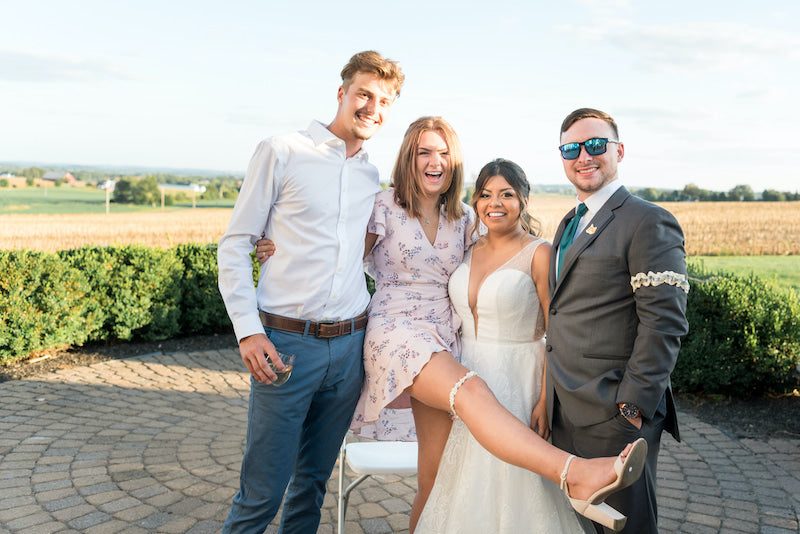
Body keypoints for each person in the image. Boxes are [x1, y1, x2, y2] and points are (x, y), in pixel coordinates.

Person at [258, 116, 648, 533]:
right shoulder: (383, 206)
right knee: (473, 389)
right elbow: (334, 250)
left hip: (445, 339)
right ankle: (575, 474)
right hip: (396, 331)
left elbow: (503, 249)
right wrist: (280, 247)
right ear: (409, 157)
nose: (434, 161)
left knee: (437, 476)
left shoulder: (463, 219)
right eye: (424, 151)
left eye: (443, 153)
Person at [216, 50, 405, 534]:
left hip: (349, 349)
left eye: (383, 101)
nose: (372, 107)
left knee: (313, 485)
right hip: (286, 346)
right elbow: (236, 244)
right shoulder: (282, 150)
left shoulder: (370, 174)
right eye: (364, 94)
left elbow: (363, 252)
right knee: (262, 491)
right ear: (342, 94)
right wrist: (247, 332)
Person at [414, 158, 593, 533]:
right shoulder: (465, 248)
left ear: (524, 200)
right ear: (475, 201)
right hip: (463, 377)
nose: (494, 203)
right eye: (485, 194)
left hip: (520, 379)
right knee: (463, 482)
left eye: (506, 194)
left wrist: (547, 399)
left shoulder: (539, 253)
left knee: (515, 481)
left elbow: (555, 333)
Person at [545, 108, 690, 534]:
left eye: (595, 145)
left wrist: (631, 408)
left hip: (615, 414)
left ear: (619, 151)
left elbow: (664, 322)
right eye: (572, 148)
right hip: (566, 408)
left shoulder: (647, 220)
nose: (584, 156)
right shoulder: (569, 222)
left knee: (627, 528)